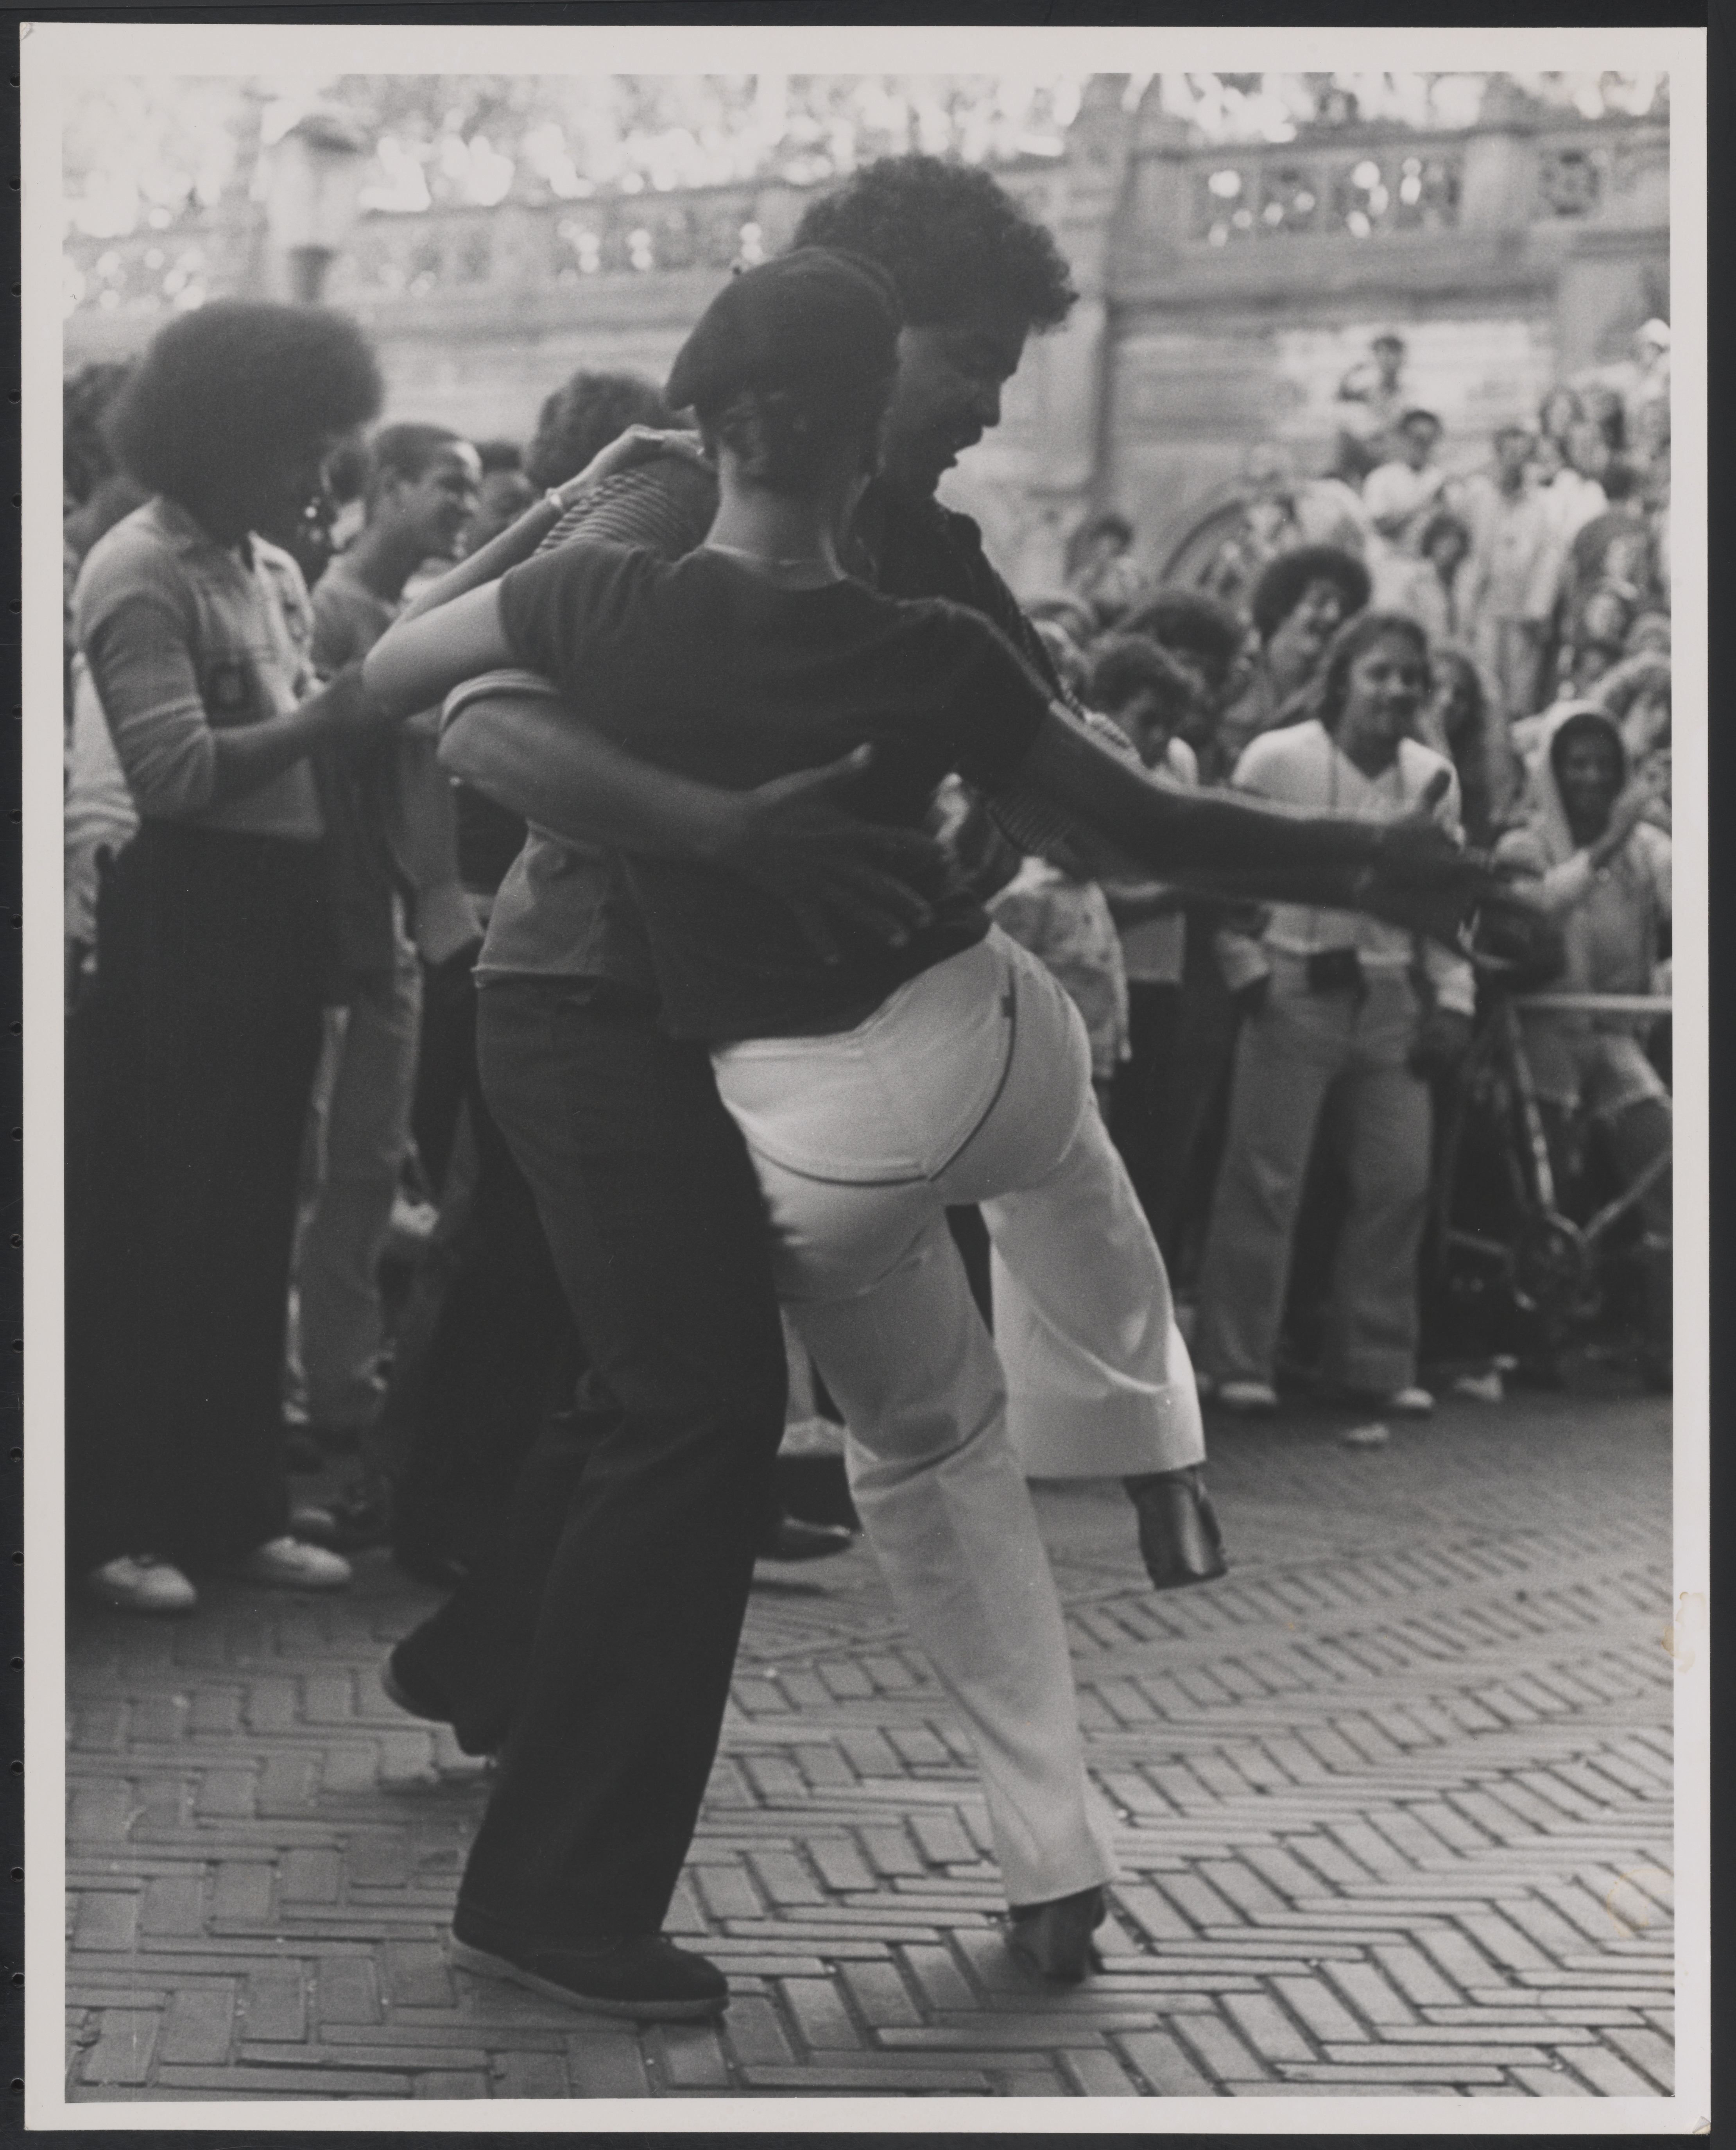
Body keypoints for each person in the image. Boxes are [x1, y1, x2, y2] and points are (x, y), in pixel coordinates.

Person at [365, 251, 1492, 2012]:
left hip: (781, 1117)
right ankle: (1149, 1440)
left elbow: (414, 673)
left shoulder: (619, 598)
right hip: (891, 1060)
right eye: (968, 369)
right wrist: (1379, 865)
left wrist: (563, 585)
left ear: (722, 420)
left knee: (775, 1416)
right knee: (998, 1205)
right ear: (850, 411)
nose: (984, 409)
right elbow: (1145, 831)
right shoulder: (904, 636)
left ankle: (566, 1854)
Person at [64, 301, 392, 1612]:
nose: (322, 476)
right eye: (302, 444)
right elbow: (178, 771)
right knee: (157, 1227)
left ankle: (232, 1506)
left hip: (270, 918)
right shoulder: (133, 567)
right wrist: (334, 719)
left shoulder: (266, 565)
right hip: (180, 917)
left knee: (255, 1223)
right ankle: (118, 1518)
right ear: (227, 433)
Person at [1193, 611, 1478, 1419]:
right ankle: (1236, 1356)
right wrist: (1244, 968)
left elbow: (1443, 903)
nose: (1398, 690)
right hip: (1289, 986)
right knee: (1264, 1177)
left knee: (1399, 1180)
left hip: (1389, 996)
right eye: (1381, 672)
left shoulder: (1434, 778)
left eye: (1412, 677)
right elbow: (1226, 871)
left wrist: (1452, 999)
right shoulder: (1277, 758)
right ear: (1345, 674)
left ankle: (1375, 1358)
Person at [288, 423, 484, 1457]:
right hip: (345, 921)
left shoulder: (410, 615)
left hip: (403, 925)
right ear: (389, 485)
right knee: (324, 1175)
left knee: (367, 1171)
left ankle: (341, 1395)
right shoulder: (328, 608)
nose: (460, 504)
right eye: (446, 484)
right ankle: (313, 1394)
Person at [1494, 706, 1672, 1388]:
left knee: (1668, 1163)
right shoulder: (1525, 844)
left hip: (1610, 1034)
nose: (1591, 778)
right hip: (1543, 1036)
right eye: (1577, 763)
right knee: (1551, 1193)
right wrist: (1605, 846)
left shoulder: (1643, 850)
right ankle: (1541, 1343)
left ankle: (1668, 1344)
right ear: (1553, 771)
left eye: (1604, 764)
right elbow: (1537, 910)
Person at [1093, 637, 1202, 1246]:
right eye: (1147, 721)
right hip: (1109, 981)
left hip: (1162, 978)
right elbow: (1096, 897)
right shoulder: (1091, 763)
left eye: (1170, 723)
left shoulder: (1178, 763)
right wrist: (1180, 892)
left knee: (1150, 1151)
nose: (1159, 739)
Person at [1215, 544, 1372, 772]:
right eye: (1320, 601)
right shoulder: (1232, 669)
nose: (1333, 616)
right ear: (1283, 605)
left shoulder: (1337, 697)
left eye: (1344, 609)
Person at [1459, 425, 1557, 726]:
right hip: (1485, 608)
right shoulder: (1478, 498)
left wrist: (1537, 609)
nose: (1514, 460)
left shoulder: (1541, 504)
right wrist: (1465, 612)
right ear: (1497, 453)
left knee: (1520, 693)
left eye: (1521, 453)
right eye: (1508, 452)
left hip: (1522, 612)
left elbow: (1549, 558)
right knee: (1484, 684)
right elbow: (1470, 556)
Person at [1361, 408, 1449, 573]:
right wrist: (1425, 505)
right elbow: (1380, 526)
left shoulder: (1440, 478)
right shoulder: (1381, 478)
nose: (1424, 446)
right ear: (1403, 438)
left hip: (1428, 570)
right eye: (1418, 439)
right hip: (1389, 567)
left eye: (1430, 440)